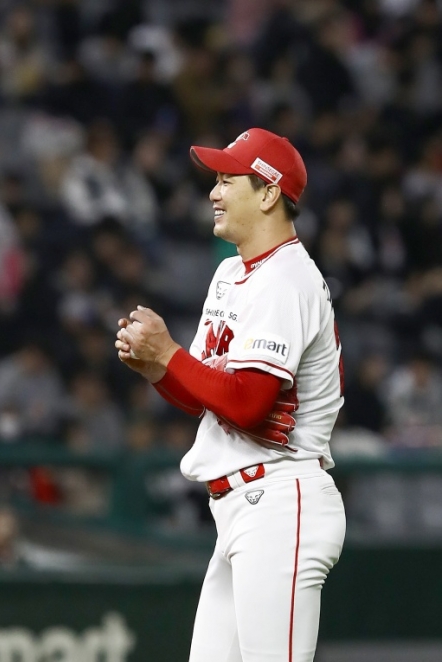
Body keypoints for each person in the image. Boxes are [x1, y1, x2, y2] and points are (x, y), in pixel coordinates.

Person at [115, 128, 346, 662]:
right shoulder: (230, 273)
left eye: (227, 180)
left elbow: (248, 403)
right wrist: (157, 368)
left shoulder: (287, 279)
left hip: (281, 501)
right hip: (241, 509)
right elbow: (206, 398)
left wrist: (170, 353)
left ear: (268, 194)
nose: (213, 193)